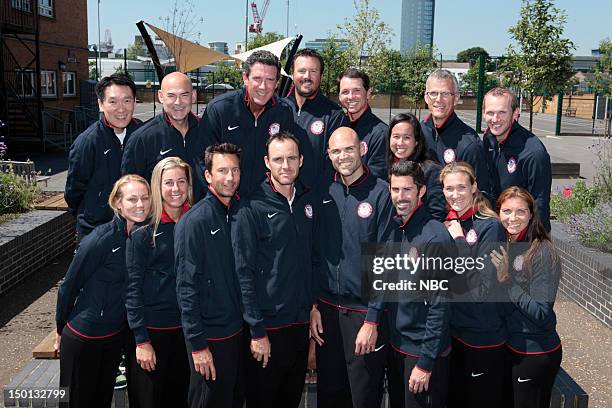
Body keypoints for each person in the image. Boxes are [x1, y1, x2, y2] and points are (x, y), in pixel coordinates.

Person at [232, 131, 317, 407]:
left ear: (301, 160)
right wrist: (256, 331)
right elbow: (243, 274)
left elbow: (311, 260)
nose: (286, 166)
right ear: (267, 162)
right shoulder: (251, 207)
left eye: (292, 158)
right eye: (278, 159)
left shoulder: (308, 201)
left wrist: (312, 306)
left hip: (299, 326)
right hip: (267, 329)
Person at [311, 126, 394, 408]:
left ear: (362, 149)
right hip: (326, 311)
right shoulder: (324, 190)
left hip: (363, 315)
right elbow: (314, 252)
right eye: (336, 151)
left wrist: (372, 320)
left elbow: (387, 262)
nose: (343, 156)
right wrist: (313, 306)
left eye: (349, 149)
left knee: (362, 398)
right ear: (329, 155)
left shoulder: (382, 194)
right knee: (330, 395)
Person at [55, 174, 151, 408]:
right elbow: (69, 285)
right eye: (132, 199)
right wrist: (60, 328)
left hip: (113, 338)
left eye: (145, 198)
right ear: (118, 202)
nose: (140, 204)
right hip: (84, 338)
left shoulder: (142, 236)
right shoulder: (100, 239)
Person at [175, 143, 245, 408]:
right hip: (210, 338)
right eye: (223, 170)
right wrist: (198, 345)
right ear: (207, 176)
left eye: (235, 170)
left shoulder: (238, 213)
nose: (230, 177)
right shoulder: (194, 222)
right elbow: (186, 288)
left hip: (236, 332)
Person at [125, 157, 193, 408]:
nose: (175, 189)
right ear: (157, 186)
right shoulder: (143, 233)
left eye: (181, 181)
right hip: (154, 335)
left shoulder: (197, 223)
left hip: (188, 334)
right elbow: (132, 290)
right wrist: (141, 340)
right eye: (168, 183)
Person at [439, 161, 507, 408]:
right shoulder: (447, 222)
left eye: (461, 187)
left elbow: (479, 283)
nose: (455, 195)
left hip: (482, 335)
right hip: (454, 331)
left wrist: (458, 240)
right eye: (449, 189)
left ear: (474, 186)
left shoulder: (491, 226)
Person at [385, 160, 453, 408]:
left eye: (407, 190)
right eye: (395, 189)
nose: (400, 196)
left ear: (421, 191)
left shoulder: (435, 236)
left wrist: (425, 363)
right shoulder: (395, 227)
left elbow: (441, 307)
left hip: (422, 354)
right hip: (397, 347)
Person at [492, 186, 562, 408]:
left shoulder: (542, 251)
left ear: (531, 214)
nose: (513, 218)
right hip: (509, 347)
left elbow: (541, 313)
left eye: (521, 212)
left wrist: (506, 280)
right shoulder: (505, 245)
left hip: (535, 352)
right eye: (506, 211)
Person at [200, 50, 295, 197]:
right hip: (228, 202)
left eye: (270, 80)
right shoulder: (220, 109)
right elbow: (203, 161)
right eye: (257, 78)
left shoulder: (284, 112)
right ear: (245, 78)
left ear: (277, 83)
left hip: (267, 202)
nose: (263, 86)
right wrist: (220, 202)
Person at [65, 74, 142, 238]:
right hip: (96, 231)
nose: (121, 108)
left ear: (135, 102)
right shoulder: (87, 142)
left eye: (127, 101)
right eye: (113, 101)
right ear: (101, 104)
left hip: (137, 229)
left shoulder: (143, 135)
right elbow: (74, 192)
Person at [122, 72, 207, 201]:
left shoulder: (208, 131)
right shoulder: (141, 139)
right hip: (159, 219)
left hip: (201, 218)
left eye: (184, 95)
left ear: (193, 96)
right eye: (171, 96)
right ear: (161, 97)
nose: (178, 102)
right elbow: (129, 190)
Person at [482, 87, 552, 231]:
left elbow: (540, 204)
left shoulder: (534, 153)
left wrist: (537, 244)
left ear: (515, 113)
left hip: (522, 234)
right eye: (490, 113)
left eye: (502, 112)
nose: (495, 119)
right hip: (496, 227)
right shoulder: (489, 139)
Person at [282, 48, 349, 189]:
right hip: (280, 197)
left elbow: (336, 164)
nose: (307, 76)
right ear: (292, 74)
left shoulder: (334, 115)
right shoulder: (278, 109)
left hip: (315, 200)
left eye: (313, 71)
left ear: (321, 76)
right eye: (301, 71)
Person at [421, 69, 492, 199]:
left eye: (445, 94)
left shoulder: (470, 144)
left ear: (456, 98)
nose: (439, 99)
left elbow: (481, 195)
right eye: (433, 93)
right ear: (426, 97)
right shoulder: (416, 133)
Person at [387, 112, 445, 221]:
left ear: (416, 141)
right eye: (396, 136)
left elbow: (437, 214)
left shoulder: (430, 171)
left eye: (407, 137)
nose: (400, 143)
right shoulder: (388, 167)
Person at [338, 68, 387, 179]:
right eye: (345, 92)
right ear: (339, 96)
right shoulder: (336, 128)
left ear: (368, 93)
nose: (351, 97)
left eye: (357, 91)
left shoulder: (381, 134)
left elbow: (376, 180)